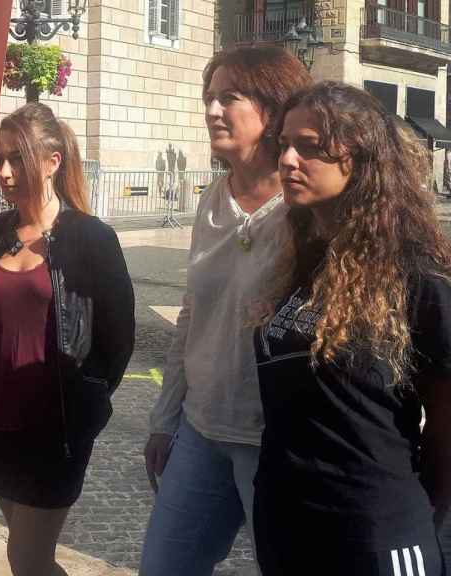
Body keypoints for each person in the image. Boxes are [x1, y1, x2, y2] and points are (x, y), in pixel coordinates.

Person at [256, 80, 451, 575]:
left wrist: (418, 522)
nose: (289, 159)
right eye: (284, 145)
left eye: (310, 147)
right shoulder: (305, 259)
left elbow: (447, 428)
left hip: (373, 528)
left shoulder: (424, 280)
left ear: (359, 158)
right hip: (286, 519)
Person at [139, 46, 311, 576]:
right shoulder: (212, 199)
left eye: (230, 98)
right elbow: (193, 315)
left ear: (273, 109)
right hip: (203, 429)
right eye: (209, 98)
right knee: (165, 566)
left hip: (278, 441)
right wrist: (164, 418)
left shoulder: (307, 206)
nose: (213, 110)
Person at [0, 102, 135, 576]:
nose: (2, 172)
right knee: (30, 559)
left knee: (25, 557)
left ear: (52, 161)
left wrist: (88, 400)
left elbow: (117, 339)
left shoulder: (91, 238)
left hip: (56, 426)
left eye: (16, 159)